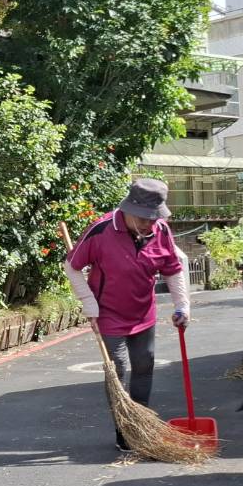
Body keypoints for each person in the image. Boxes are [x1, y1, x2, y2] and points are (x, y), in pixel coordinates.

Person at [64, 178, 191, 451]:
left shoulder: (161, 230)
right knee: (118, 369)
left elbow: (172, 269)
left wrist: (182, 305)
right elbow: (72, 266)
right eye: (144, 218)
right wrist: (88, 302)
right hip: (108, 312)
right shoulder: (101, 230)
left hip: (144, 311)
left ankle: (141, 424)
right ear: (128, 209)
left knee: (145, 365)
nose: (149, 224)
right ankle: (124, 431)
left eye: (154, 218)